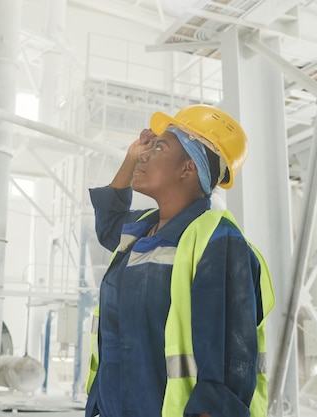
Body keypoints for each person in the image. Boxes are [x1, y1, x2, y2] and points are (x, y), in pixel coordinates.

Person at [84, 104, 275, 417]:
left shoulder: (219, 242)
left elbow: (228, 364)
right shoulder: (142, 229)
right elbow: (108, 223)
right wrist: (132, 157)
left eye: (159, 147)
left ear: (188, 168)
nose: (144, 155)